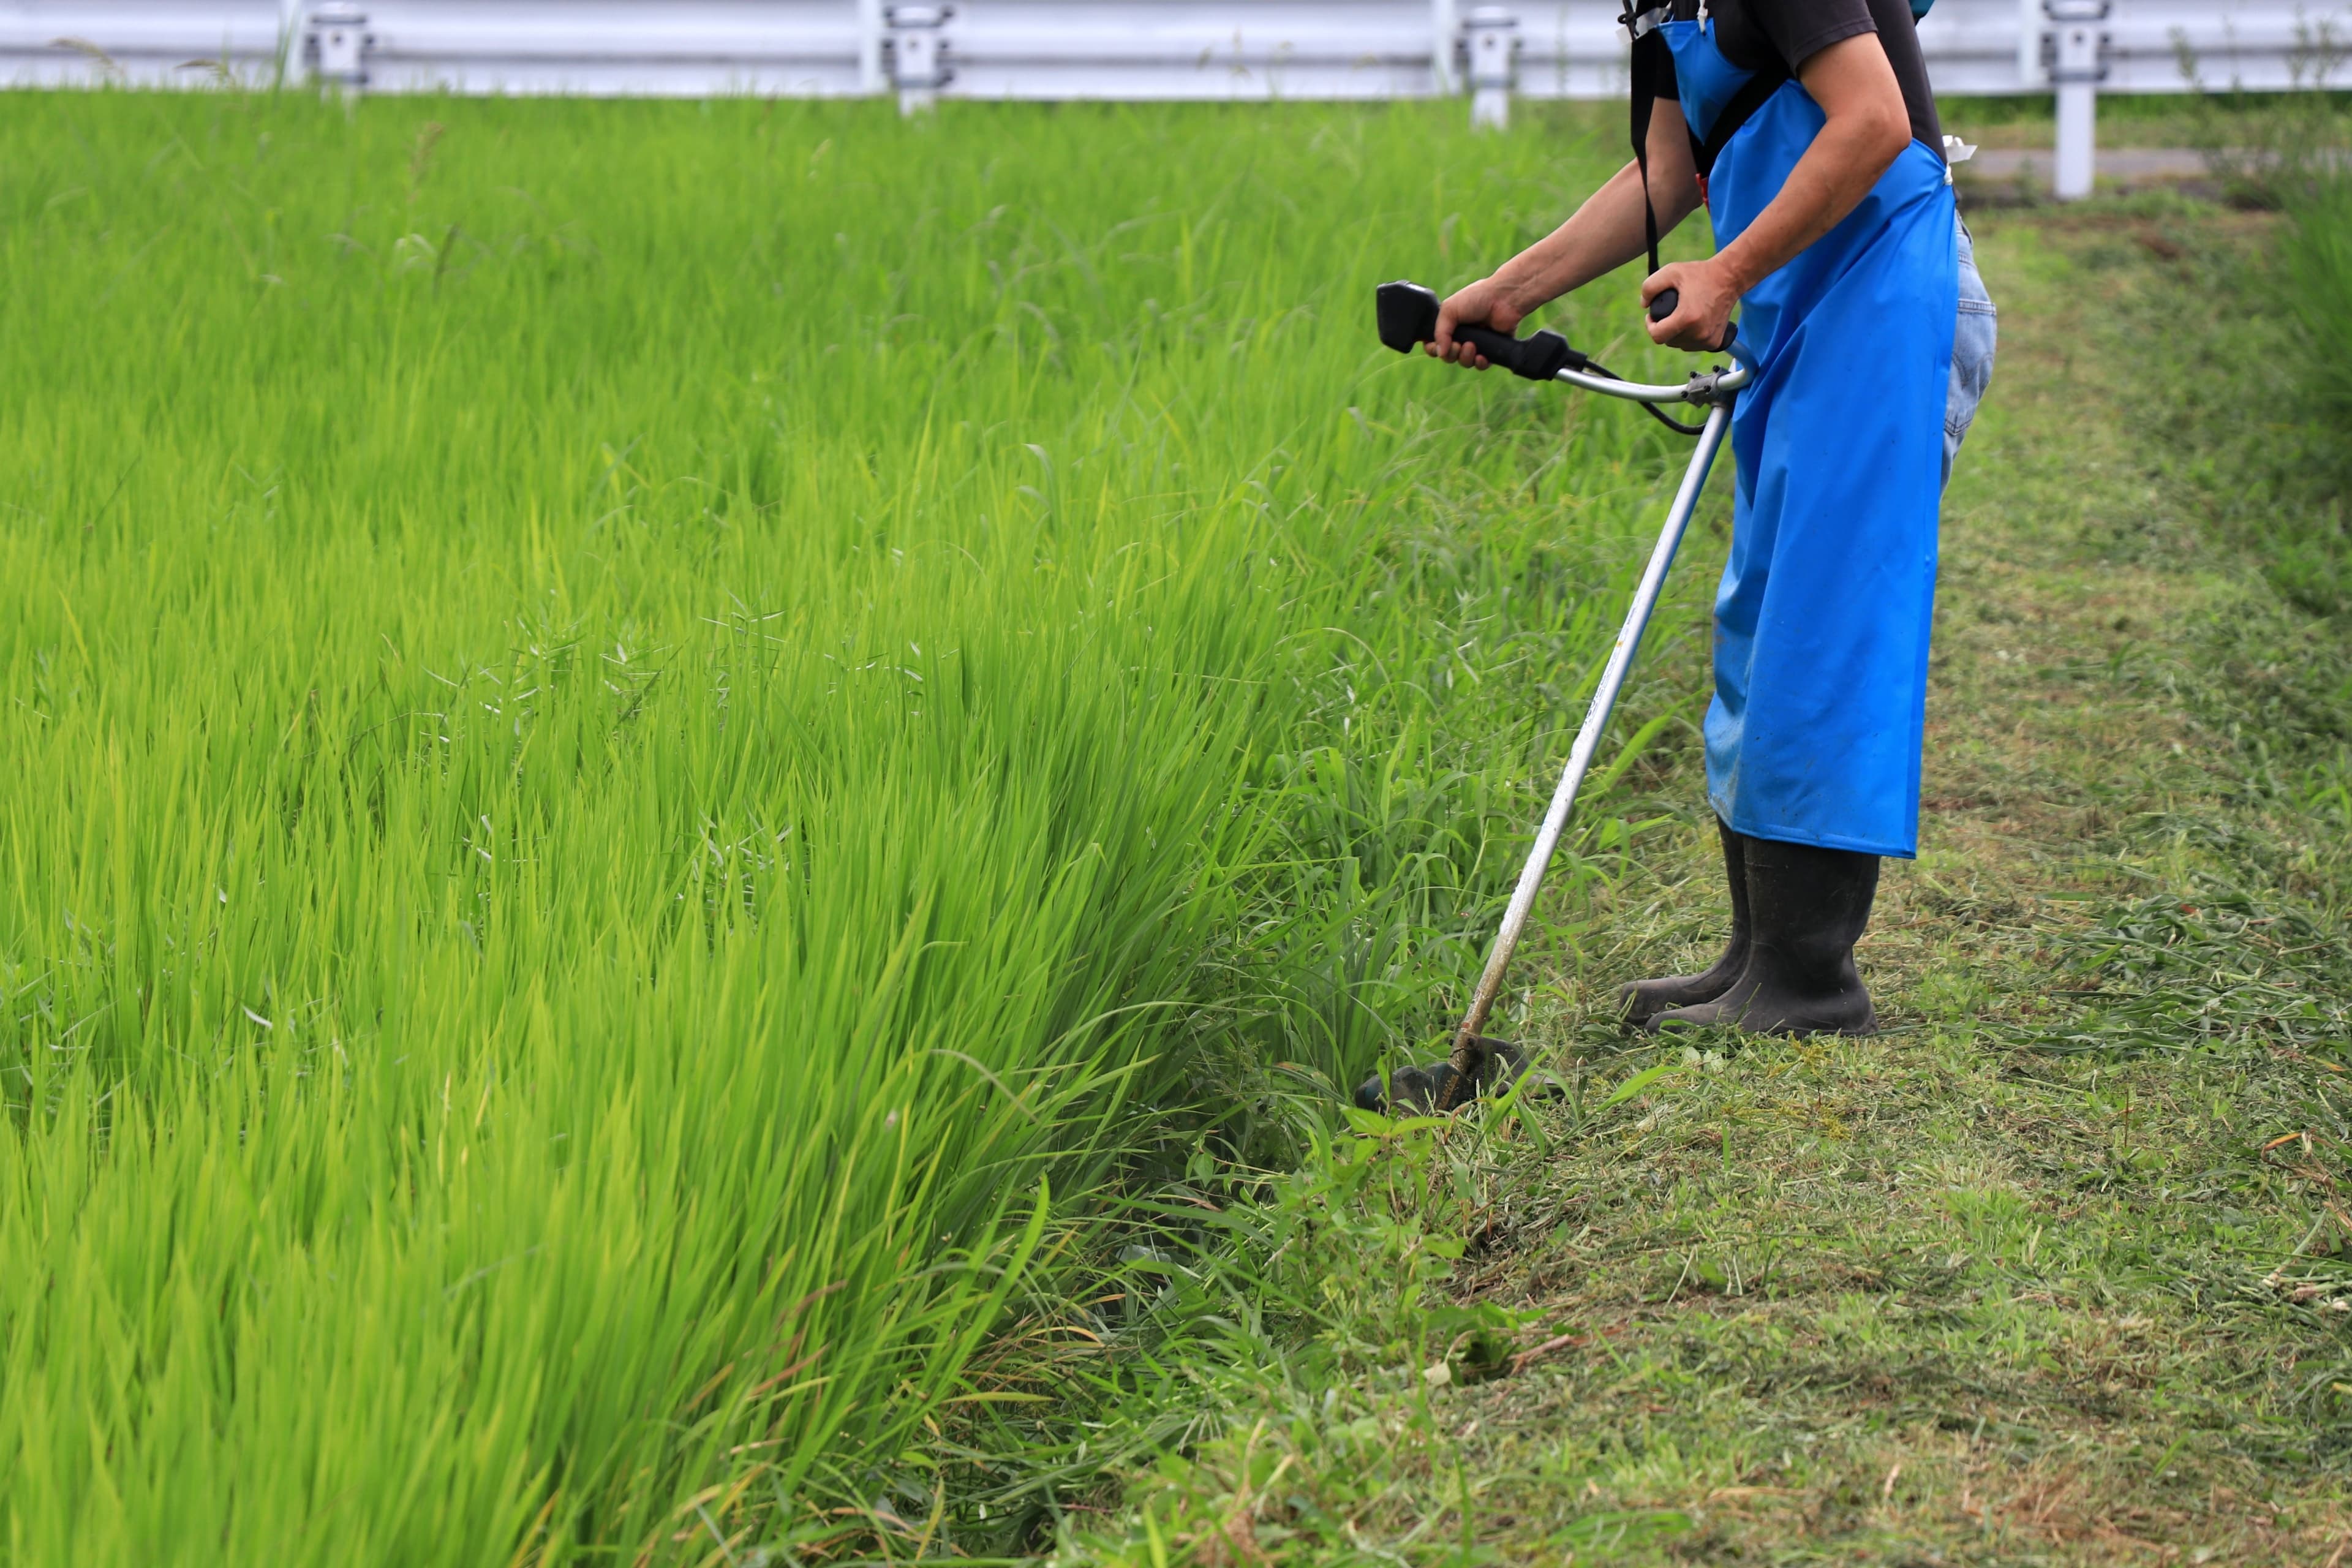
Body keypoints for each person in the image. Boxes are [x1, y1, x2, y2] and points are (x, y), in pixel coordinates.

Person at [1430, 0, 1997, 1036]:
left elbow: (1871, 119)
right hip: (1797, 308)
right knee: (1758, 626)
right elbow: (1671, 172)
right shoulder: (1658, 8)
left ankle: (1811, 982)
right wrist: (1511, 291)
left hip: (1885, 297)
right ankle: (1759, 957)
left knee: (1818, 632)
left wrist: (1727, 271)